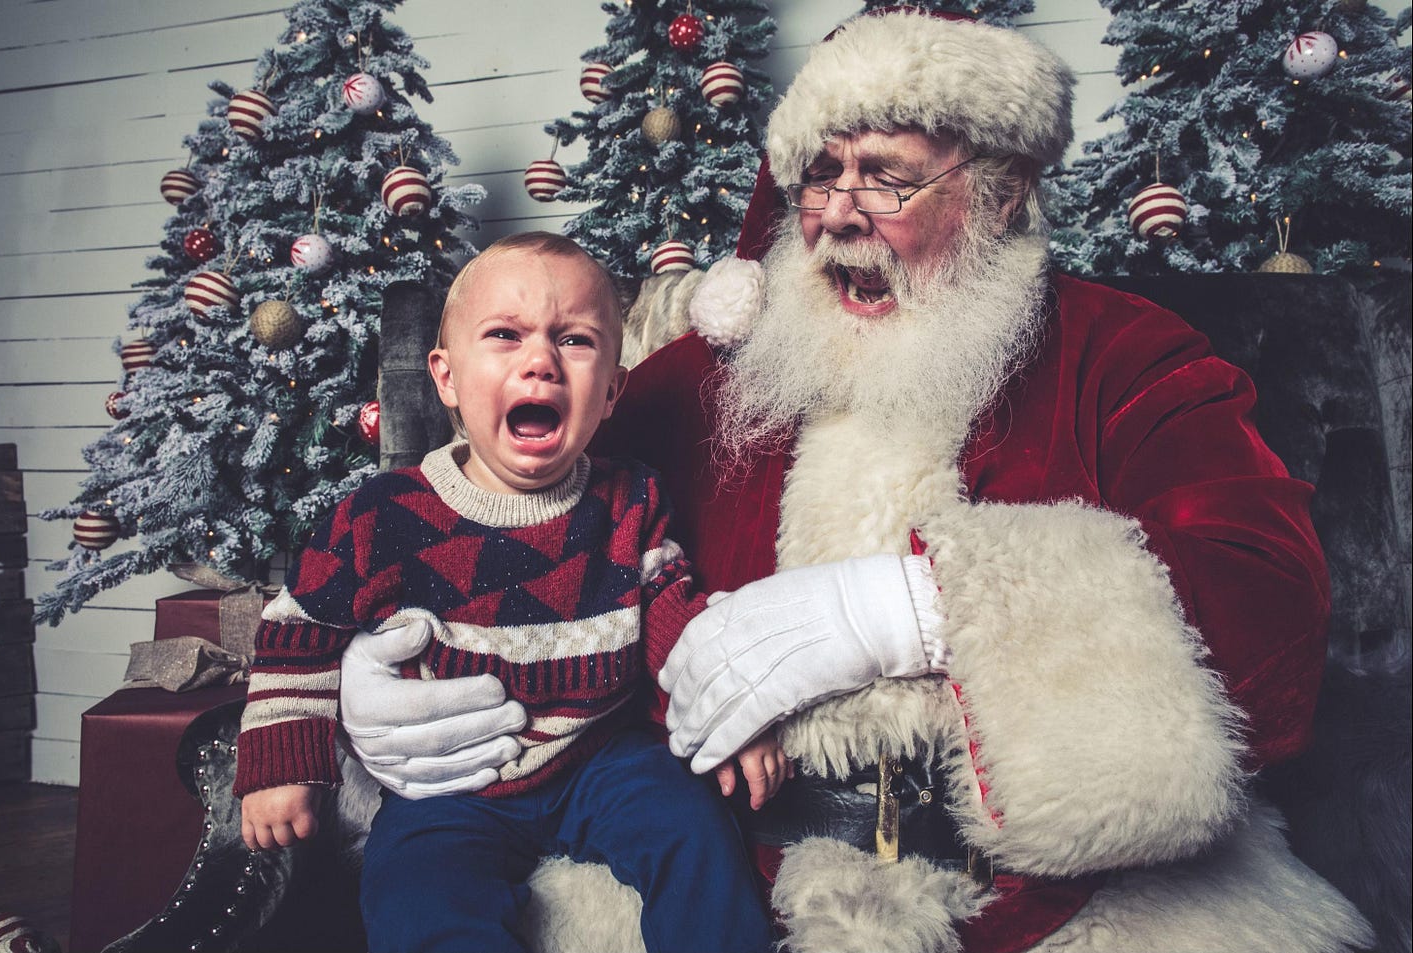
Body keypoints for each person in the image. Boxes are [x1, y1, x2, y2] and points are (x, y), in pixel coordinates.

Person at [336, 12, 1376, 953]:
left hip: (1056, 899)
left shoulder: (1122, 352)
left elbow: (1266, 602)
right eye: (820, 175)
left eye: (886, 175)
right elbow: (525, 509)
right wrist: (370, 679)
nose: (838, 213)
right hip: (748, 879)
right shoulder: (713, 372)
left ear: (1000, 190)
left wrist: (917, 608)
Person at [233, 231, 780, 953]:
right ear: (448, 376)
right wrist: (281, 764)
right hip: (454, 787)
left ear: (613, 387)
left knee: (694, 829)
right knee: (414, 891)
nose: (540, 361)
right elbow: (300, 632)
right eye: (505, 335)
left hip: (598, 756)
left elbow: (670, 612)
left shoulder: (629, 498)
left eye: (576, 340)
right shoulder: (384, 513)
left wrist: (733, 706)